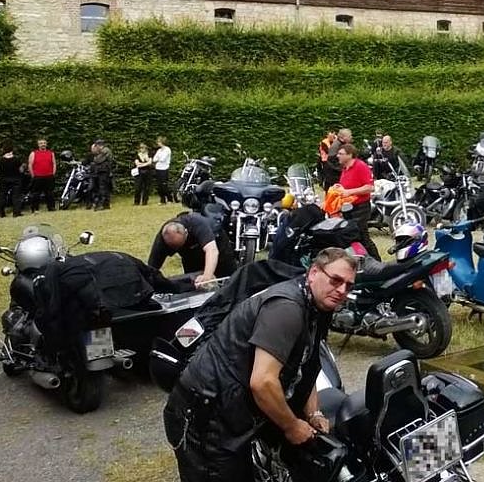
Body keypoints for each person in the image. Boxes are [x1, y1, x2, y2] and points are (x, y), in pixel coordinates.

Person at [162, 248, 357, 481]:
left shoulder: (319, 306)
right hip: (205, 413)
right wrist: (292, 426)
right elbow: (263, 382)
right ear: (314, 272)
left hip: (234, 407)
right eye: (335, 280)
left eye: (348, 285)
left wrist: (313, 413)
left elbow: (307, 364)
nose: (342, 290)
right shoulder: (287, 309)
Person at [147, 212, 236, 284]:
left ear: (186, 233)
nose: (177, 248)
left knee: (229, 281)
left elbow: (212, 250)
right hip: (190, 256)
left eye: (179, 245)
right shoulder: (162, 240)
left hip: (218, 246)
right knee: (194, 283)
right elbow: (151, 268)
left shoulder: (196, 224)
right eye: (174, 247)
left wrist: (207, 276)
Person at [332, 143, 378, 259]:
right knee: (351, 236)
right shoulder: (345, 168)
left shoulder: (360, 166)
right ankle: (359, 259)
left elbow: (370, 187)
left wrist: (349, 192)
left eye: (341, 154)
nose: (338, 156)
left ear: (350, 155)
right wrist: (339, 188)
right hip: (348, 208)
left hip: (360, 207)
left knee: (362, 236)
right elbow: (347, 185)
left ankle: (377, 261)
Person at [0, 143, 26, 218]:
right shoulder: (16, 159)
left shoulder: (0, 160)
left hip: (3, 180)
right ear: (12, 150)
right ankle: (16, 213)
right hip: (16, 179)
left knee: (2, 196)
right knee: (16, 196)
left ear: (4, 150)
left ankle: (0, 213)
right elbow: (21, 170)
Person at [27, 138, 57, 213]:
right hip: (38, 176)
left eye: (44, 143)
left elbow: (54, 163)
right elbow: (30, 165)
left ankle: (51, 207)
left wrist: (53, 173)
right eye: (41, 143)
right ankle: (35, 209)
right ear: (38, 145)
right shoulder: (33, 153)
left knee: (50, 193)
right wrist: (33, 175)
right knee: (36, 194)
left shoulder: (51, 153)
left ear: (46, 144)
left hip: (49, 176)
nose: (43, 144)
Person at [87, 140, 114, 210]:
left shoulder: (105, 151)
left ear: (99, 145)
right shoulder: (103, 151)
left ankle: (102, 205)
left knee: (103, 188)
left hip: (104, 171)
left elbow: (97, 160)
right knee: (103, 188)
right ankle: (106, 205)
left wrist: (96, 155)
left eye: (96, 146)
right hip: (101, 171)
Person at [153, 136, 174, 204]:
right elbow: (154, 159)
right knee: (159, 186)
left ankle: (170, 199)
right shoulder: (159, 150)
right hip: (158, 168)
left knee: (164, 185)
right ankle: (162, 200)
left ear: (162, 142)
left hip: (164, 169)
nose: (158, 143)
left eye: (158, 142)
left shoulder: (167, 149)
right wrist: (158, 158)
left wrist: (158, 158)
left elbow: (163, 159)